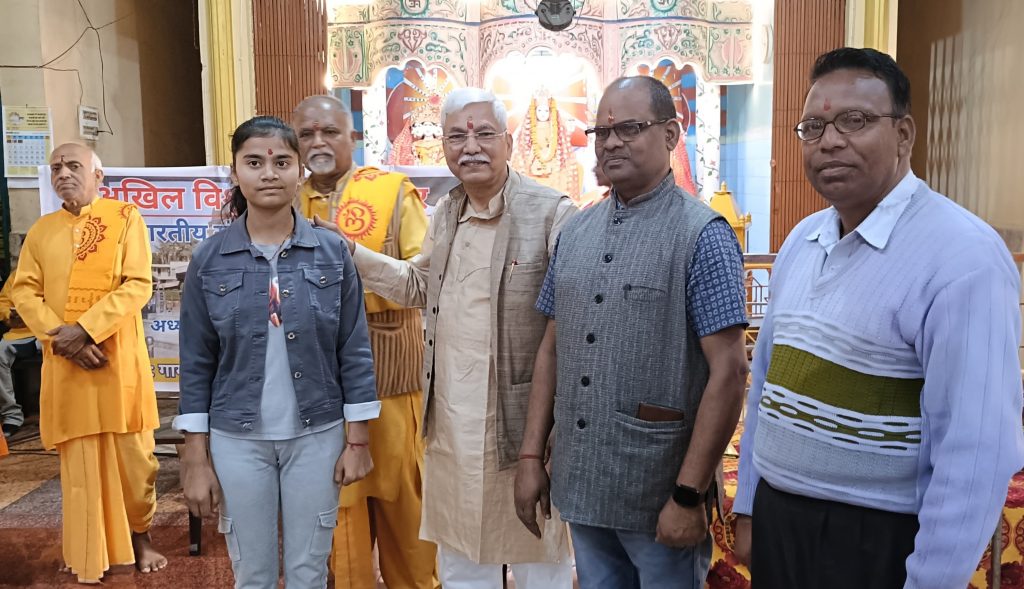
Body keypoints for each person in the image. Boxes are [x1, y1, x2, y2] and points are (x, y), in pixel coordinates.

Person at [732, 48, 1024, 589]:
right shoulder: (802, 241)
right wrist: (749, 505)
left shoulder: (963, 258)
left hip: (875, 539)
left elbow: (975, 452)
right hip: (780, 524)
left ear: (904, 135)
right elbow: (766, 386)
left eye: (855, 120)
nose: (829, 141)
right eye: (813, 127)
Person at [318, 87, 577, 588]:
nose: (470, 147)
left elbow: (572, 319)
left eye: (484, 134)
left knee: (539, 561)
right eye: (457, 136)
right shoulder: (447, 211)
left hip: (523, 424)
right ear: (444, 147)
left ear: (508, 142)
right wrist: (352, 253)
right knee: (462, 564)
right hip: (455, 424)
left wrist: (556, 430)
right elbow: (419, 285)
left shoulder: (552, 213)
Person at [514, 76, 749, 588]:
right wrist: (531, 456)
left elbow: (730, 372)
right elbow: (551, 347)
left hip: (659, 491)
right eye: (602, 132)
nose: (611, 142)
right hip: (582, 481)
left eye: (629, 128)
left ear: (670, 134)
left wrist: (688, 495)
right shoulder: (576, 230)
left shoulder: (702, 235)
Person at [174, 116, 380, 588]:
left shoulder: (331, 253)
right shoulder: (210, 259)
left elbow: (353, 349)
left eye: (282, 162)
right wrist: (195, 457)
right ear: (234, 172)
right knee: (253, 574)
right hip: (237, 440)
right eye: (254, 162)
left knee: (309, 572)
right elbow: (197, 362)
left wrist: (358, 441)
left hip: (318, 435)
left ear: (300, 171)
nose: (269, 173)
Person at [292, 94, 438, 589]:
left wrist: (354, 261)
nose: (318, 142)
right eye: (306, 134)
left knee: (408, 516)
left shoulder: (392, 192)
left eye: (329, 132)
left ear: (352, 137)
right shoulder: (284, 199)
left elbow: (426, 278)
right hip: (319, 389)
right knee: (340, 520)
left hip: (390, 381)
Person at [11, 142, 166, 582]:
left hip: (116, 363)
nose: (63, 173)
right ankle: (86, 548)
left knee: (135, 461)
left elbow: (138, 284)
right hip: (68, 364)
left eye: (73, 165)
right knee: (79, 466)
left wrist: (86, 329)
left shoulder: (126, 218)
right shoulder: (42, 231)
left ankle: (141, 536)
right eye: (56, 167)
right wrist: (64, 338)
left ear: (98, 176)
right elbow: (24, 291)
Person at [510, 88, 582, 200]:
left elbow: (558, 145)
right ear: (534, 111)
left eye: (546, 111)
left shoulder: (555, 127)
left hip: (552, 160)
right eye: (539, 111)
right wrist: (532, 157)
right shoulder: (529, 128)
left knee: (567, 172)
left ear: (550, 111)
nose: (543, 114)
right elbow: (526, 146)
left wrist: (550, 154)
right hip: (534, 159)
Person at [0, 274, 37, 438]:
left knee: (67, 349)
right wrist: (9, 315)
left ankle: (65, 413)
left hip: (53, 331)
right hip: (21, 333)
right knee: (0, 352)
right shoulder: (17, 275)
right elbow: (2, 302)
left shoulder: (56, 268)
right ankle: (12, 415)